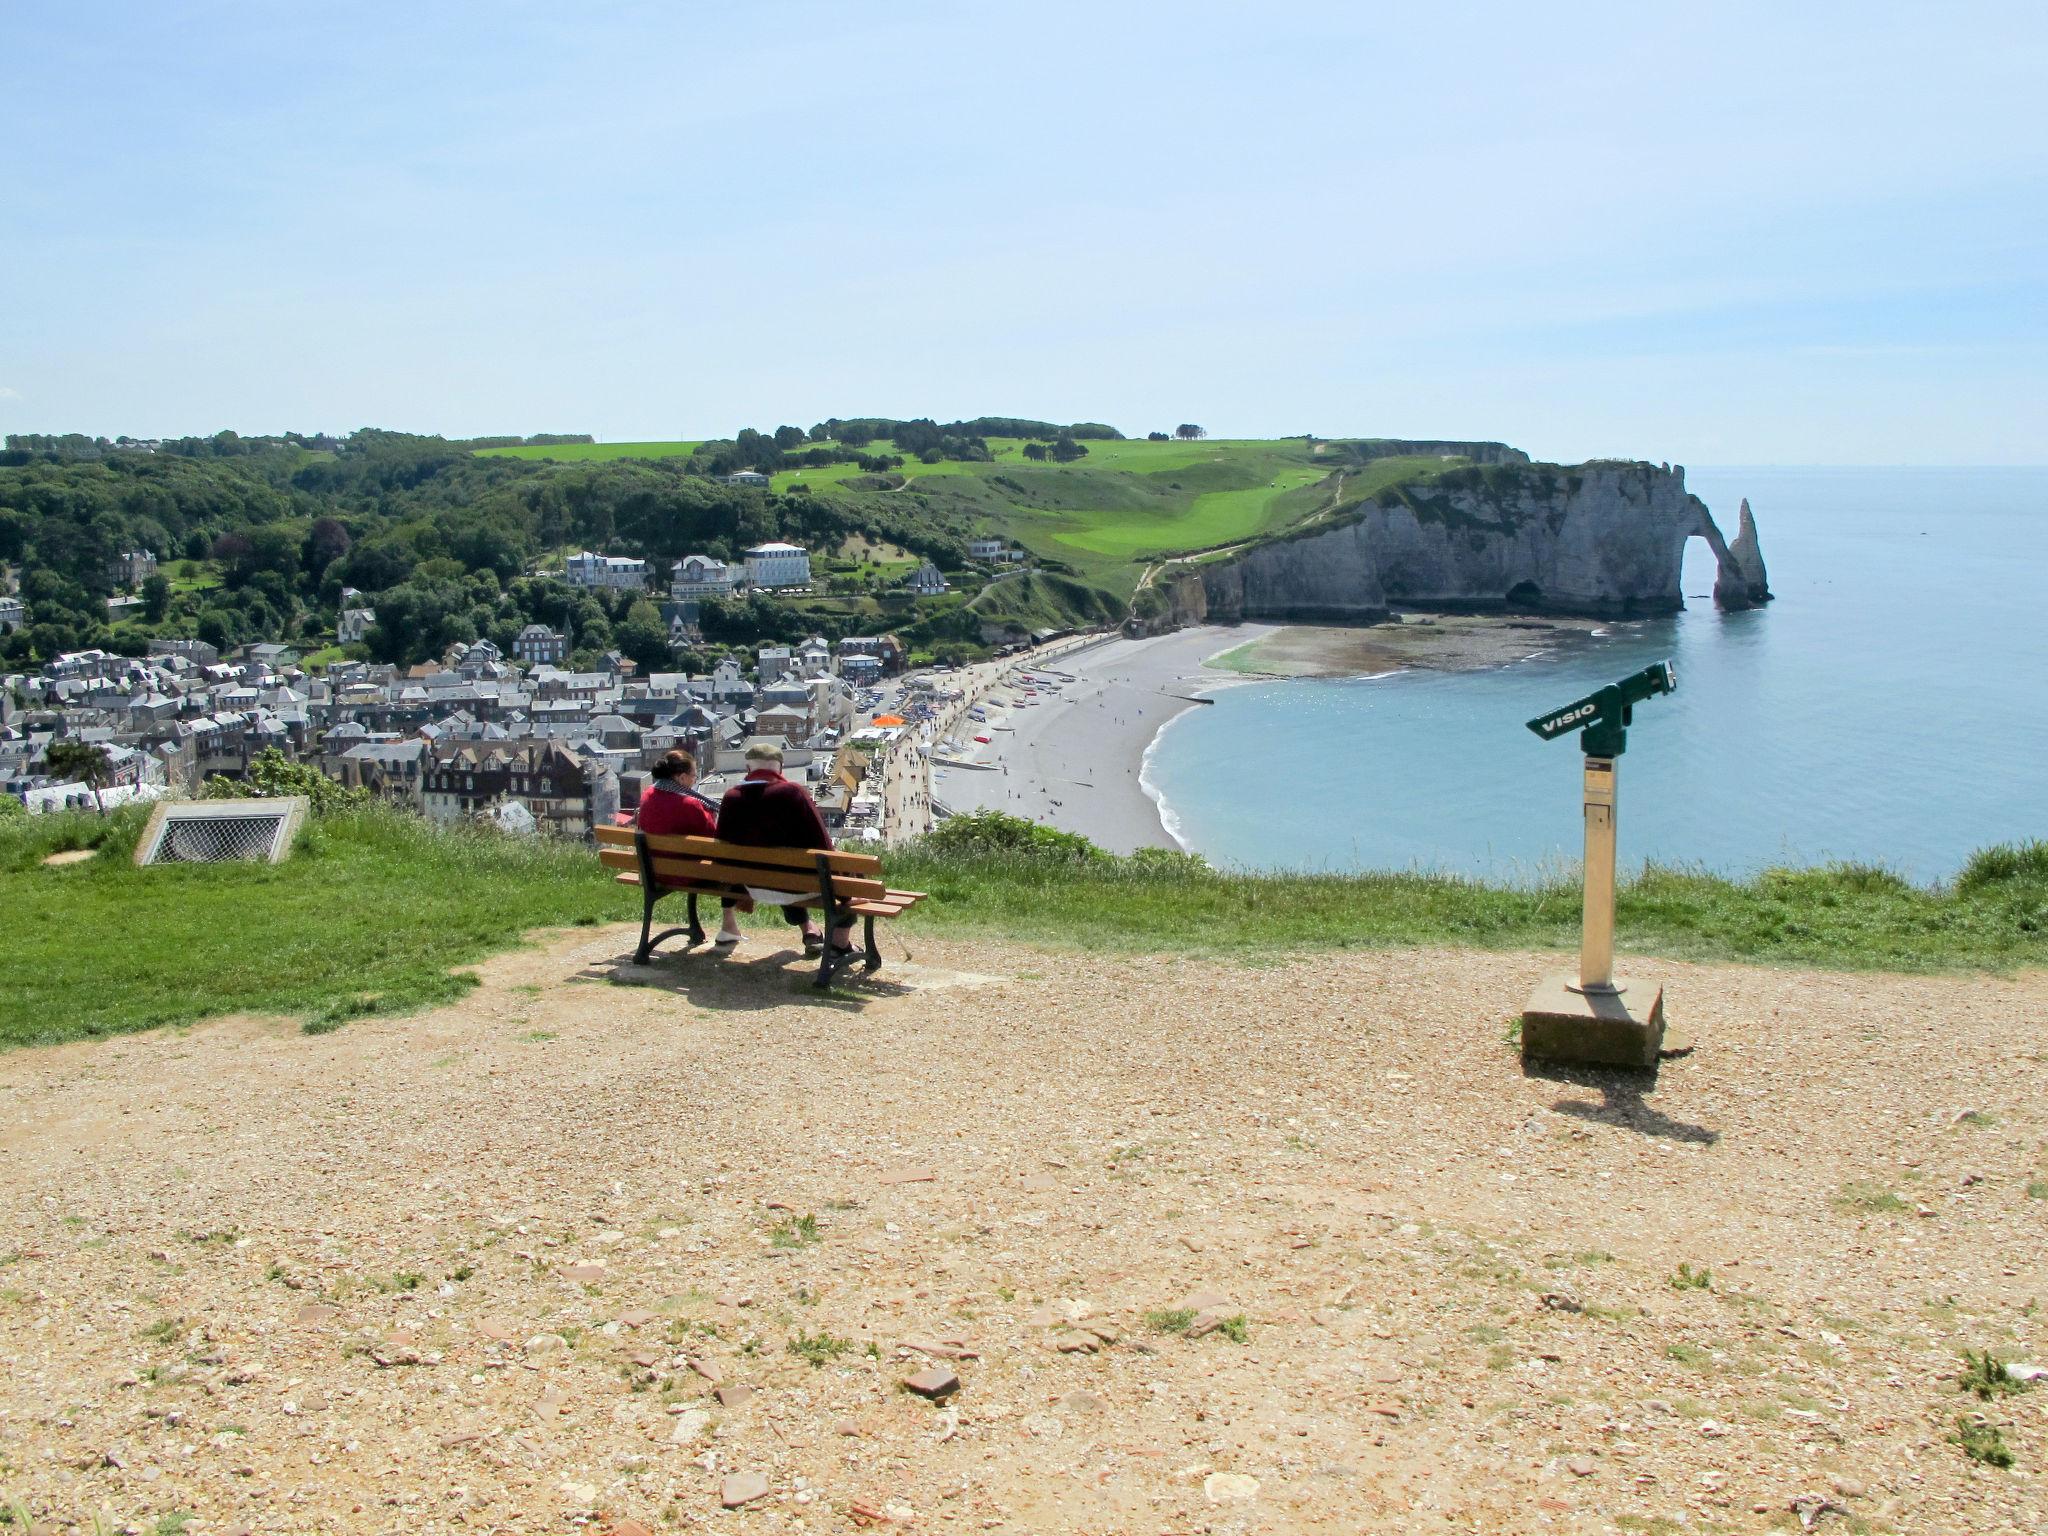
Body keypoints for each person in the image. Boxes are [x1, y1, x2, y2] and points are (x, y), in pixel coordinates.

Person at [718, 742, 855, 957]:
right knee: (850, 874)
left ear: (748, 769)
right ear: (780, 769)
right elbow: (824, 845)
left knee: (782, 873)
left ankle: (809, 929)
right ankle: (839, 943)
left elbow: (723, 847)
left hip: (754, 884)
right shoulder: (792, 793)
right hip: (795, 885)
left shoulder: (731, 797)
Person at [635, 749, 745, 946]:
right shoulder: (690, 804)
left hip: (653, 872)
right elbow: (714, 843)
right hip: (684, 873)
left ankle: (722, 928)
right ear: (682, 777)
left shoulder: (649, 794)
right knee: (732, 866)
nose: (695, 780)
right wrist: (711, 814)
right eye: (694, 775)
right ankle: (729, 925)